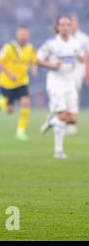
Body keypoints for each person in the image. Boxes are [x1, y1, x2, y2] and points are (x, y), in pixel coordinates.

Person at [37, 15, 85, 159]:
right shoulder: (51, 44)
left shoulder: (77, 43)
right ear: (57, 27)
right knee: (63, 116)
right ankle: (58, 151)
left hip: (70, 82)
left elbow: (81, 56)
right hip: (55, 82)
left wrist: (81, 59)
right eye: (62, 24)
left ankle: (51, 121)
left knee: (73, 119)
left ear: (71, 27)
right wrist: (50, 64)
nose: (65, 27)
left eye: (68, 25)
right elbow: (37, 59)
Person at [0, 25, 37, 141]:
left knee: (26, 103)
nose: (23, 37)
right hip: (6, 83)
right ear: (17, 35)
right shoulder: (8, 47)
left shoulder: (30, 48)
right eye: (21, 34)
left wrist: (33, 69)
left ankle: (20, 131)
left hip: (22, 82)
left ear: (28, 36)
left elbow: (33, 61)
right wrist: (9, 74)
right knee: (9, 111)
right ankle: (1, 102)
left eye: (25, 34)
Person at [67, 15, 89, 135]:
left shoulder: (84, 38)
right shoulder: (64, 38)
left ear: (77, 23)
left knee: (74, 95)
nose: (72, 25)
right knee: (64, 94)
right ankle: (63, 118)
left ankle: (71, 123)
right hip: (64, 70)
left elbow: (87, 52)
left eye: (73, 22)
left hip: (78, 70)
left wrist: (83, 58)